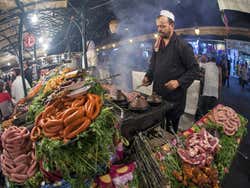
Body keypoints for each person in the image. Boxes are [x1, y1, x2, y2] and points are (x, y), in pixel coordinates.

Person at [142, 10, 199, 132]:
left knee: (170, 133)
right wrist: (148, 76)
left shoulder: (182, 46)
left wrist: (178, 82)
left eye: (163, 26)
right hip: (157, 98)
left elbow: (194, 70)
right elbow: (153, 65)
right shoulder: (157, 44)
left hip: (174, 100)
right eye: (158, 26)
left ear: (172, 25)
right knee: (156, 129)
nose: (159, 29)